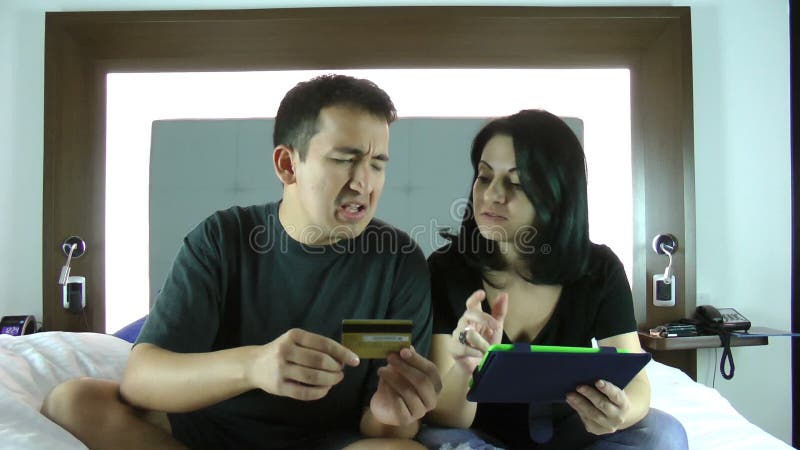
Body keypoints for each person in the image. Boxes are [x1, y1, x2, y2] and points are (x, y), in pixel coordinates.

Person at [41, 74, 441, 450]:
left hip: (321, 442)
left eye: (377, 164)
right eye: (344, 159)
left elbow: (384, 427)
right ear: (288, 165)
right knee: (72, 400)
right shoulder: (223, 238)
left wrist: (393, 415)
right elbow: (142, 379)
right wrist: (254, 365)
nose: (363, 183)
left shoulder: (399, 262)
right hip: (208, 434)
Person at [419, 110, 688, 449]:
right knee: (436, 441)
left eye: (515, 183)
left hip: (572, 431)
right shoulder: (447, 269)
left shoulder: (598, 269)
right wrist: (466, 366)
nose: (492, 195)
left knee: (664, 435)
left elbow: (636, 381)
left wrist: (620, 411)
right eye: (484, 176)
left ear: (556, 192)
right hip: (478, 434)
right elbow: (446, 416)